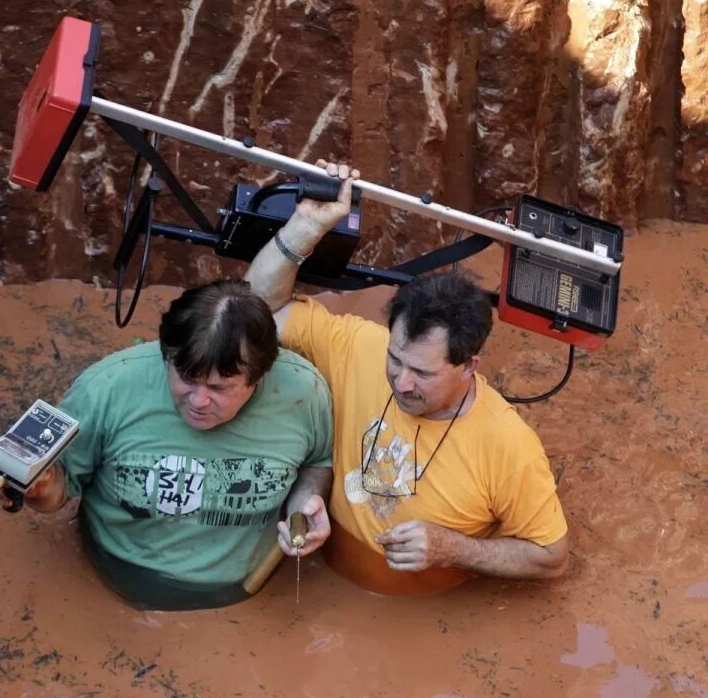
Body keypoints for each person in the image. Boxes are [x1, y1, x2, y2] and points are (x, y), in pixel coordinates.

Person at [244, 162, 569, 595]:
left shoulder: (510, 447)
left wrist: (454, 549)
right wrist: (305, 226)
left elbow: (551, 558)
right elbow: (254, 313)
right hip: (334, 576)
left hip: (422, 604)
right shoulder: (358, 345)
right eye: (396, 360)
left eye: (423, 372)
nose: (402, 383)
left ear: (469, 365)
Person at [7, 279, 334, 610]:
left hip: (246, 589)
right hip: (114, 575)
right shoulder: (106, 389)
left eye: (219, 388)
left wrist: (305, 505)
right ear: (167, 356)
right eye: (187, 379)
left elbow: (318, 460)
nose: (199, 401)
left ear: (260, 377)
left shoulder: (303, 393)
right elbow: (60, 491)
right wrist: (39, 487)